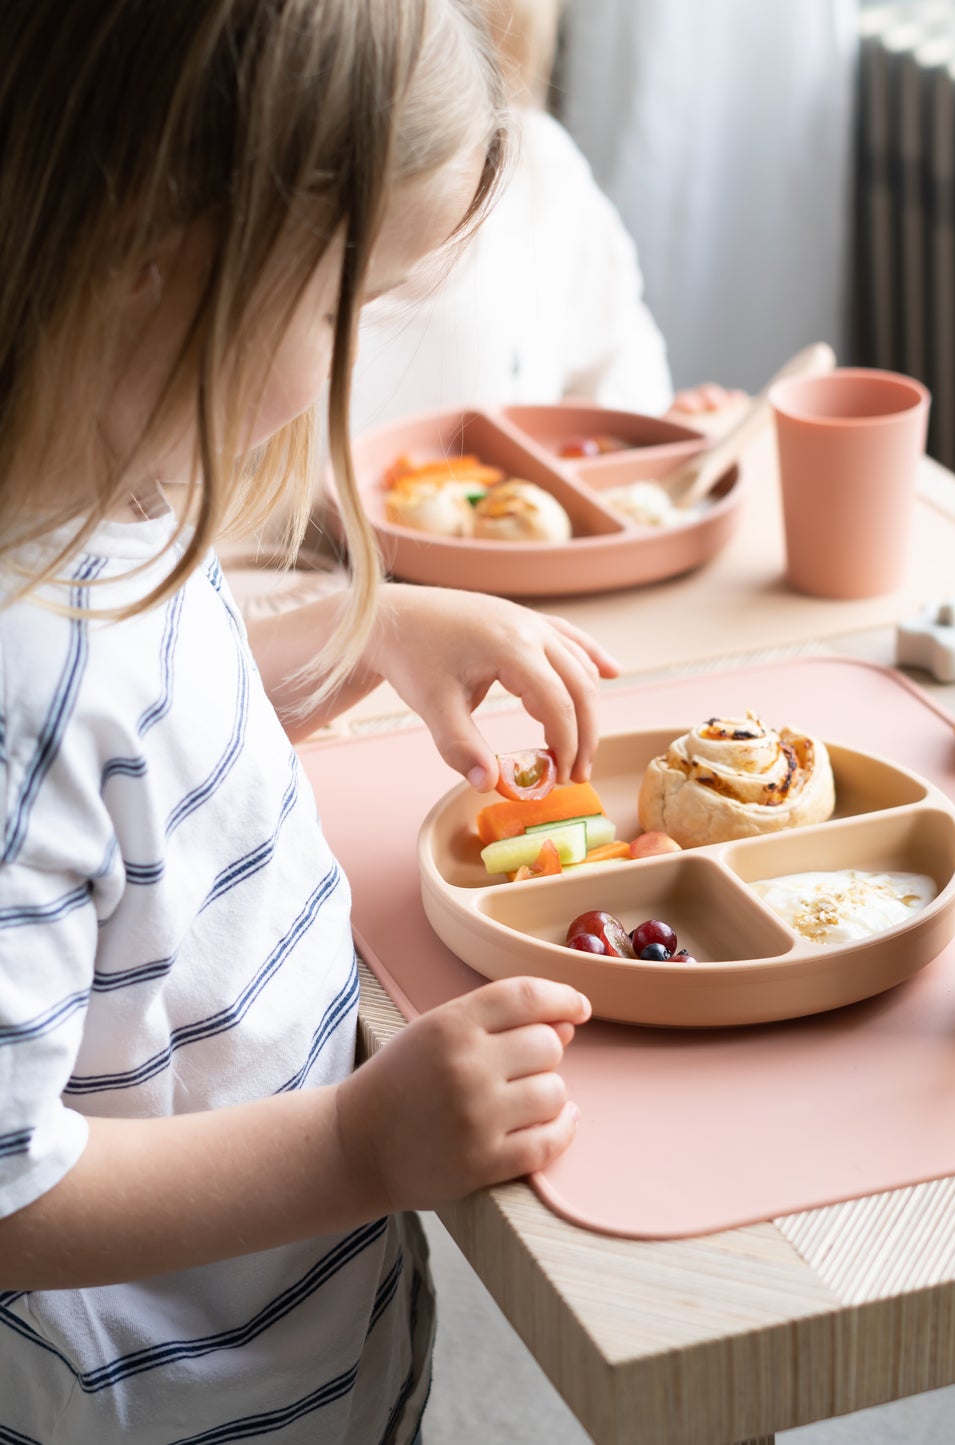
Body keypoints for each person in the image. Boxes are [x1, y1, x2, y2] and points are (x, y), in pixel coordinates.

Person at [0, 2, 611, 1440]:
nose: (342, 359)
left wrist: (367, 632)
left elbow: (136, 761)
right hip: (163, 1401)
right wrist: (356, 1142)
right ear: (156, 258)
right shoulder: (18, 678)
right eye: (342, 306)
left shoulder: (108, 501)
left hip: (292, 1333)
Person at [349, 0, 744, 433]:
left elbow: (618, 361)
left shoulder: (544, 173)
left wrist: (650, 429)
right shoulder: (295, 220)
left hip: (514, 495)